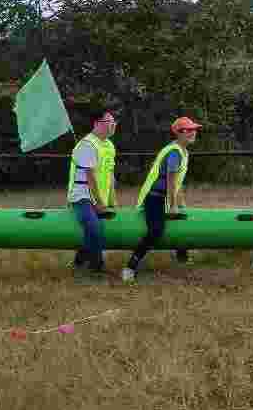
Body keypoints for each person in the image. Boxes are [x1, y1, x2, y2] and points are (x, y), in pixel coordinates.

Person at [122, 117, 201, 282]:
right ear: (179, 133)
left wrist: (181, 204)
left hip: (162, 197)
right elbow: (171, 181)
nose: (194, 132)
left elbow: (177, 183)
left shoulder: (182, 151)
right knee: (155, 231)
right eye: (189, 130)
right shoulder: (174, 152)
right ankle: (130, 267)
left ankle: (182, 256)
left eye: (194, 129)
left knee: (180, 221)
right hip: (154, 198)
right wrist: (173, 206)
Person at [67, 110, 117, 274]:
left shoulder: (109, 145)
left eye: (113, 121)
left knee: (93, 228)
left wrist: (112, 200)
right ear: (97, 124)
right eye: (108, 121)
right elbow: (90, 177)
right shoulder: (87, 144)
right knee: (94, 227)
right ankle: (96, 267)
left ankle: (79, 260)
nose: (113, 125)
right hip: (82, 197)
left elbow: (109, 175)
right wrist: (99, 204)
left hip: (98, 197)